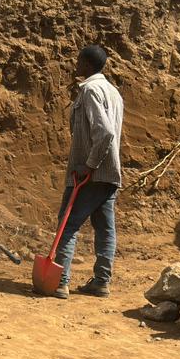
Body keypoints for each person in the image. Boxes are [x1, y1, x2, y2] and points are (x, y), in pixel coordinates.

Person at [51, 44, 125, 299]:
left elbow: (104, 133)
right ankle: (101, 281)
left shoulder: (91, 90)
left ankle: (60, 281)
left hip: (89, 175)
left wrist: (89, 166)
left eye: (79, 61)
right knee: (105, 228)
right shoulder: (114, 93)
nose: (76, 65)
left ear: (87, 65)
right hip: (110, 173)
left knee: (68, 224)